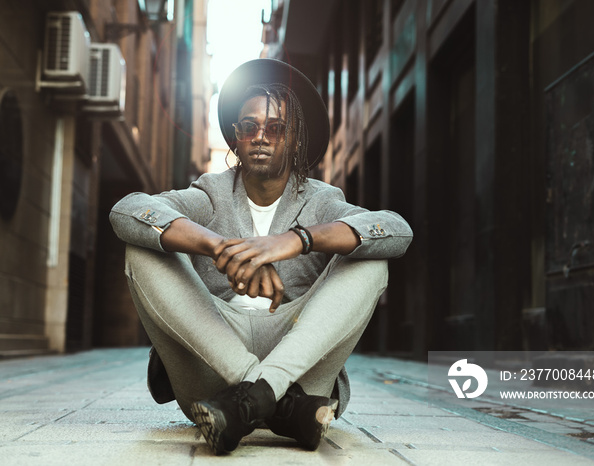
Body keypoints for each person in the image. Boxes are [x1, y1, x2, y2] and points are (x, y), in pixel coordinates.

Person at [109, 58, 413, 455]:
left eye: (276, 127)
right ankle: (278, 403)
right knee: (144, 246)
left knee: (370, 256)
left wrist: (297, 239)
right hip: (212, 368)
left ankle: (257, 398)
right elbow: (128, 210)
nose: (261, 137)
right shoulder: (211, 193)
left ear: (296, 139)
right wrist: (218, 247)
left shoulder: (321, 201)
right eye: (249, 127)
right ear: (236, 138)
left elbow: (396, 229)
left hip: (299, 359)